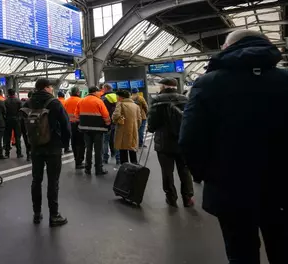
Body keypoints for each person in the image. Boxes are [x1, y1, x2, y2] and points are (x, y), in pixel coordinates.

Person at [180, 30, 287, 263]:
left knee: (240, 252)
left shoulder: (207, 84)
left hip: (230, 188)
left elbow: (189, 139)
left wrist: (206, 175)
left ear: (228, 47)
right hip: (282, 187)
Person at [26, 78, 69, 227]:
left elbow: (25, 126)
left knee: (36, 180)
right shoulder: (54, 103)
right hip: (53, 148)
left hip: (36, 147)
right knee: (53, 182)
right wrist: (65, 144)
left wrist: (30, 144)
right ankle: (54, 215)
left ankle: (37, 214)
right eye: (50, 87)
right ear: (46, 88)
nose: (52, 89)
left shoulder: (28, 103)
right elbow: (65, 125)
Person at [147, 78, 193, 207]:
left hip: (163, 142)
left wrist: (152, 127)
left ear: (163, 86)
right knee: (184, 170)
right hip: (182, 140)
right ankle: (188, 198)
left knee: (167, 171)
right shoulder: (184, 99)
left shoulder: (157, 100)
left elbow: (152, 124)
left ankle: (171, 198)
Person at [75, 86, 111, 175]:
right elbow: (106, 115)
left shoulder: (81, 101)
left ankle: (87, 168)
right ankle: (98, 169)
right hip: (98, 130)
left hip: (85, 130)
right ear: (95, 92)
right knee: (98, 150)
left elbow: (76, 115)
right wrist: (108, 124)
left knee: (88, 149)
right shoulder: (99, 101)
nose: (99, 93)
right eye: (98, 91)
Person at [112, 90, 144, 165]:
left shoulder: (120, 104)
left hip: (122, 130)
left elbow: (116, 115)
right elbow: (139, 119)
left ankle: (125, 166)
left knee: (123, 149)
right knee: (132, 147)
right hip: (133, 130)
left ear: (120, 97)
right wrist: (136, 128)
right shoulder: (135, 105)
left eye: (117, 96)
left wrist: (115, 120)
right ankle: (134, 165)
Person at [63, 87, 84, 168]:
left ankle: (76, 160)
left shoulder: (66, 101)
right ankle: (80, 161)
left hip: (69, 124)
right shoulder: (80, 101)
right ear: (78, 92)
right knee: (81, 143)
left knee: (74, 143)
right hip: (79, 124)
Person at [101, 84, 118, 164]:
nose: (102, 90)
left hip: (106, 122)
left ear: (106, 88)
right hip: (116, 122)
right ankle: (117, 157)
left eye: (103, 88)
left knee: (105, 141)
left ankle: (105, 158)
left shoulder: (103, 99)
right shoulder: (117, 97)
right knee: (115, 140)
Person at [4, 88, 24, 158]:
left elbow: (4, 112)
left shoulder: (5, 101)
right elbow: (21, 111)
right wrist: (19, 118)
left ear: (8, 94)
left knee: (7, 137)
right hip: (16, 121)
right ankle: (19, 153)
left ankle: (7, 153)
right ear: (14, 93)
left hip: (8, 120)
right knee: (17, 137)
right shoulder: (18, 101)